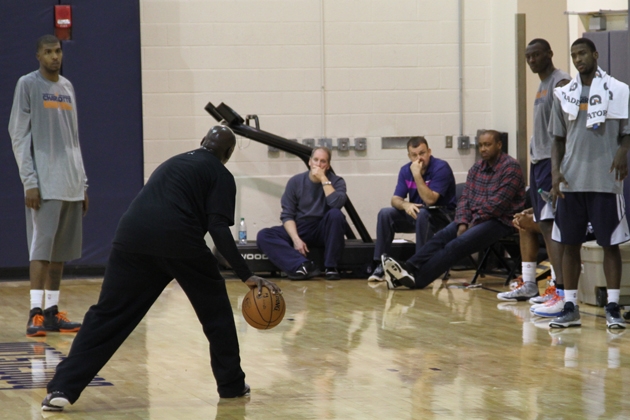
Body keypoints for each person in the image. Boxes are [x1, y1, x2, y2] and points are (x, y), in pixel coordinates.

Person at [41, 126, 282, 411]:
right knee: (216, 313)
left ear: (202, 141)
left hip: (131, 237)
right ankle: (231, 385)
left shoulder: (174, 161)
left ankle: (61, 389)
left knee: (108, 314)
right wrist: (247, 274)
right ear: (228, 154)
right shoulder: (220, 174)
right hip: (180, 240)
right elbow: (218, 227)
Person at [548, 37, 630, 330]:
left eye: (582, 53)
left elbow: (627, 131)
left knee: (610, 245)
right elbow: (556, 139)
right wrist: (555, 173)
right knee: (570, 244)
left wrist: (623, 151)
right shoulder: (564, 95)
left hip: (605, 180)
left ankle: (612, 306)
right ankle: (570, 306)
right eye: (573, 55)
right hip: (571, 180)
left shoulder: (618, 90)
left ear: (595, 54)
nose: (578, 59)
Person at [8, 34, 87, 338]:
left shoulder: (67, 87)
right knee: (40, 251)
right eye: (48, 52)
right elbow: (19, 135)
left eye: (58, 51)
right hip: (44, 182)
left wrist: (83, 183)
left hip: (71, 183)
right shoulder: (27, 85)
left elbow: (74, 140)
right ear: (38, 56)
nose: (55, 56)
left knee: (60, 254)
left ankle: (52, 312)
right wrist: (29, 181)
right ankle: (35, 313)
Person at [380, 130, 526, 290]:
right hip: (473, 219)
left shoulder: (511, 167)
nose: (483, 149)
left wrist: (472, 222)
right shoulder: (477, 168)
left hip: (501, 221)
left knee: (456, 245)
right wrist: (463, 221)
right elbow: (464, 199)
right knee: (442, 237)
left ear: (499, 145)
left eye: (488, 145)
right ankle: (408, 268)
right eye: (481, 145)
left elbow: (498, 204)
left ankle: (418, 279)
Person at [497, 38, 570, 308]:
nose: (531, 61)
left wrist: (557, 169)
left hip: (552, 165)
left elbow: (565, 131)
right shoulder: (541, 85)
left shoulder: (560, 82)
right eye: (528, 57)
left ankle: (561, 291)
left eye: (536, 55)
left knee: (552, 227)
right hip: (538, 163)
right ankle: (544, 287)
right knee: (544, 224)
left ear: (550, 54)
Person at [368, 136, 456, 282]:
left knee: (423, 214)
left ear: (429, 152)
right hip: (419, 214)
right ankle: (380, 264)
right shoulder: (405, 170)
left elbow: (430, 200)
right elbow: (395, 199)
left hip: (444, 215)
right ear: (409, 156)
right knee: (385, 213)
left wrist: (416, 174)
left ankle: (420, 266)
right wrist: (406, 205)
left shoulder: (441, 168)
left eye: (422, 153)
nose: (419, 158)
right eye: (414, 155)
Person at [257, 147, 348, 280]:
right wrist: (296, 239)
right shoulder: (295, 182)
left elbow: (336, 204)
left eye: (323, 161)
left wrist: (323, 178)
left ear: (327, 165)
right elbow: (287, 215)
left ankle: (331, 267)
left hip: (323, 227)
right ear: (310, 162)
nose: (318, 164)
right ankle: (302, 266)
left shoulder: (337, 181)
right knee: (264, 235)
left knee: (335, 214)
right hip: (301, 227)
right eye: (315, 160)